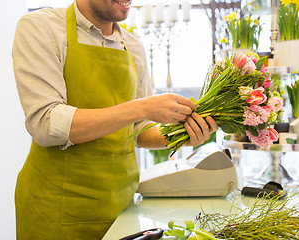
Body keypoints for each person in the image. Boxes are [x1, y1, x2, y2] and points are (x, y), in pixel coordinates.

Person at [12, 0, 218, 239]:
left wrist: (183, 136)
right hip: (54, 207)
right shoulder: (41, 27)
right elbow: (46, 124)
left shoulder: (133, 47)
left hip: (121, 208)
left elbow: (139, 130)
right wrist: (141, 107)